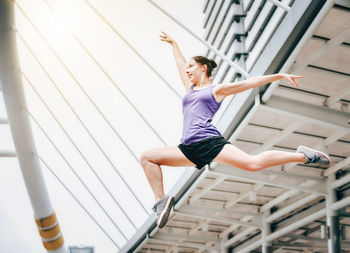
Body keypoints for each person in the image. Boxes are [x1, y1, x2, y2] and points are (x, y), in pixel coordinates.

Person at [140, 32, 330, 229]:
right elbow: (179, 63)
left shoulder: (215, 90)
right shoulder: (190, 89)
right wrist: (174, 44)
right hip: (188, 148)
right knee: (147, 157)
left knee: (253, 164)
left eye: (191, 66)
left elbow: (247, 84)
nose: (187, 70)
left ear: (203, 68)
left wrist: (279, 76)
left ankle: (304, 156)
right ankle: (161, 202)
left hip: (208, 142)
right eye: (187, 67)